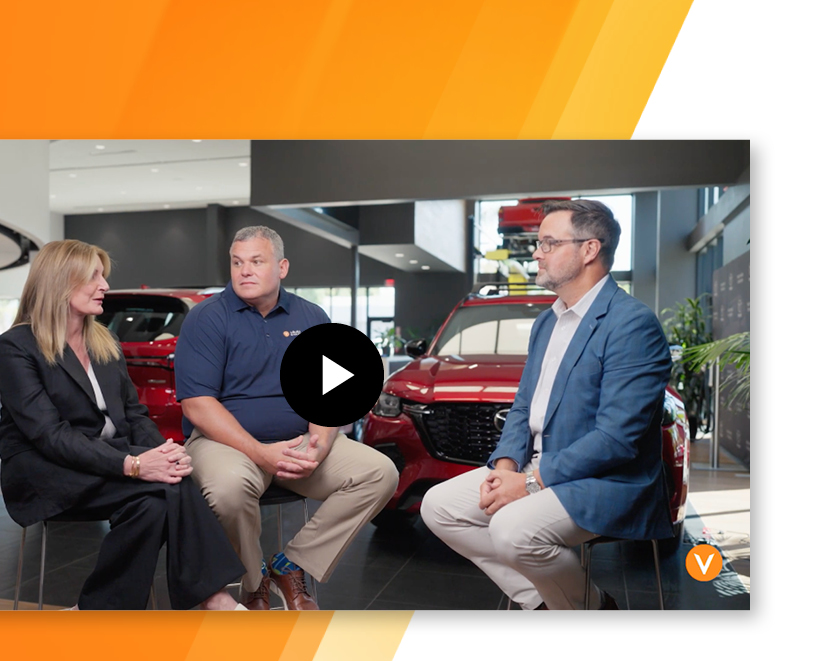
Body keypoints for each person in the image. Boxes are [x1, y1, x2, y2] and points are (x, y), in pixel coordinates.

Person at [420, 200, 672, 610]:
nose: (536, 254)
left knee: (510, 530)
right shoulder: (547, 321)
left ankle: (585, 610)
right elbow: (524, 406)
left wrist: (531, 482)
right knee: (439, 506)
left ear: (589, 250)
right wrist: (505, 468)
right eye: (539, 244)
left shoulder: (631, 324)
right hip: (534, 467)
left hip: (607, 479)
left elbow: (616, 440)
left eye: (549, 243)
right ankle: (548, 603)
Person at [0, 239, 245, 610]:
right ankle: (216, 599)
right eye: (94, 276)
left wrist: (162, 452)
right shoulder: (15, 347)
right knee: (168, 489)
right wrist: (134, 464)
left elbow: (134, 414)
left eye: (103, 276)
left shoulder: (103, 340)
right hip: (45, 470)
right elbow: (49, 435)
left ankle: (99, 611)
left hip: (104, 459)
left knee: (156, 499)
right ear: (60, 281)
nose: (105, 286)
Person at [174, 226, 399, 610]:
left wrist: (320, 444)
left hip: (300, 441)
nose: (245, 271)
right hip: (227, 444)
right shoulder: (206, 318)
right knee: (227, 490)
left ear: (282, 267)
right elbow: (197, 405)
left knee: (380, 474)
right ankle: (253, 582)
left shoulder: (311, 315)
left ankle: (291, 564)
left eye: (256, 261)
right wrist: (260, 453)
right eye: (237, 263)